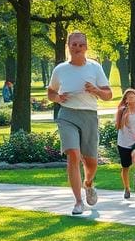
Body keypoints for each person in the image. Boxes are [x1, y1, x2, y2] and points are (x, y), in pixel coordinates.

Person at [47, 31, 113, 215]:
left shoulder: (95, 68)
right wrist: (58, 98)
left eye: (80, 45)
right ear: (68, 46)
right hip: (67, 115)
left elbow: (109, 95)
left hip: (89, 116)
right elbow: (51, 92)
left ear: (86, 47)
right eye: (74, 44)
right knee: (73, 155)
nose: (77, 48)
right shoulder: (60, 69)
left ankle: (88, 183)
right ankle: (78, 202)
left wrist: (96, 90)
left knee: (91, 163)